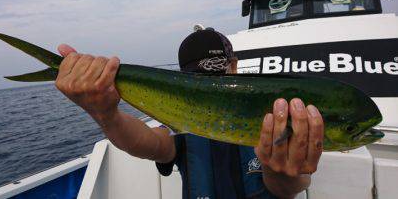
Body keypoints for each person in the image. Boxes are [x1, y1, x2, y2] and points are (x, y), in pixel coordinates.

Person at [55, 27, 324, 199]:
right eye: (199, 84)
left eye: (217, 78)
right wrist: (105, 114)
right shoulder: (184, 130)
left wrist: (281, 170)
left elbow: (288, 187)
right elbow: (145, 142)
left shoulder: (273, 119)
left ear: (234, 68)